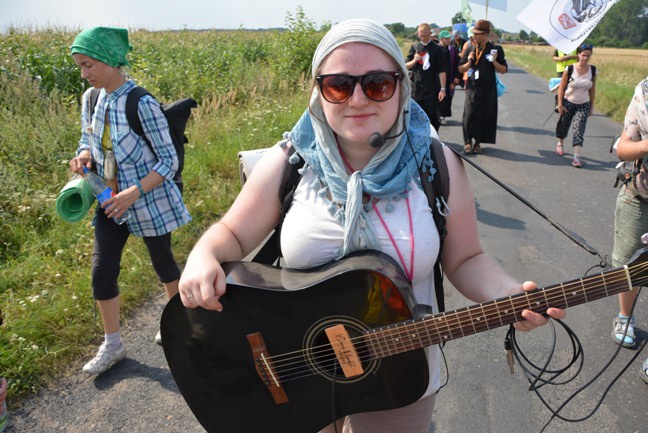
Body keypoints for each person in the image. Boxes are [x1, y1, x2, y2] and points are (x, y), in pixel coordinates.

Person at [178, 18, 565, 433]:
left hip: (400, 370)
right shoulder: (291, 161)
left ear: (402, 86)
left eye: (377, 83)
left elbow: (467, 259)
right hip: (297, 367)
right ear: (318, 92)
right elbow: (233, 234)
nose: (358, 99)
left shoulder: (437, 165)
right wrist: (203, 254)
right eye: (338, 85)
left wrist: (507, 295)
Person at [68, 27, 191, 374]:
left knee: (164, 264)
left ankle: (181, 327)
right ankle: (113, 345)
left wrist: (133, 192)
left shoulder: (141, 102)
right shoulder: (91, 99)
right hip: (109, 199)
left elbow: (169, 162)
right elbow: (86, 139)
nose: (84, 74)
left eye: (88, 64)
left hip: (148, 199)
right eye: (80, 66)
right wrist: (82, 156)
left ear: (109, 59)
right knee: (102, 270)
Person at [610, 77, 648, 385]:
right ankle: (625, 317)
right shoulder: (645, 91)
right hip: (641, 195)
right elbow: (623, 147)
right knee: (628, 264)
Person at [458, 19, 508, 155]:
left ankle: (478, 142)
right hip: (472, 86)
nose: (474, 36)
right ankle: (467, 142)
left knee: (483, 114)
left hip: (488, 88)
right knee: (469, 114)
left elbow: (503, 69)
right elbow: (461, 69)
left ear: (485, 34)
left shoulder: (496, 49)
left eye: (478, 34)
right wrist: (469, 62)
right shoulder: (469, 47)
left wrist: (495, 61)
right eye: (474, 33)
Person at [555, 43, 596, 167]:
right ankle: (560, 143)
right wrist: (560, 104)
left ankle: (576, 157)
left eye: (588, 56)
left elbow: (592, 89)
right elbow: (561, 88)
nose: (585, 58)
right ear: (578, 55)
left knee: (579, 129)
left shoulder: (593, 70)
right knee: (563, 125)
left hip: (583, 103)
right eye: (583, 55)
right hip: (568, 101)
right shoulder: (570, 69)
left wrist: (591, 106)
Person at [406, 23, 447, 132]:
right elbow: (406, 66)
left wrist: (443, 89)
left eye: (426, 36)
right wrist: (415, 60)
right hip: (417, 89)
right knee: (416, 117)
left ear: (430, 34)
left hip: (433, 89)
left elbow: (442, 70)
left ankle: (433, 140)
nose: (423, 38)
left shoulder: (437, 49)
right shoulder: (415, 47)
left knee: (433, 117)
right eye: (421, 36)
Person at [437, 30, 461, 124]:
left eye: (449, 38)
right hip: (438, 78)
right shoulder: (436, 49)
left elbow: (456, 64)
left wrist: (456, 77)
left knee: (448, 97)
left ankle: (443, 115)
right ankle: (438, 115)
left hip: (449, 78)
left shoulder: (452, 49)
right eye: (446, 38)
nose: (448, 40)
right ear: (441, 39)